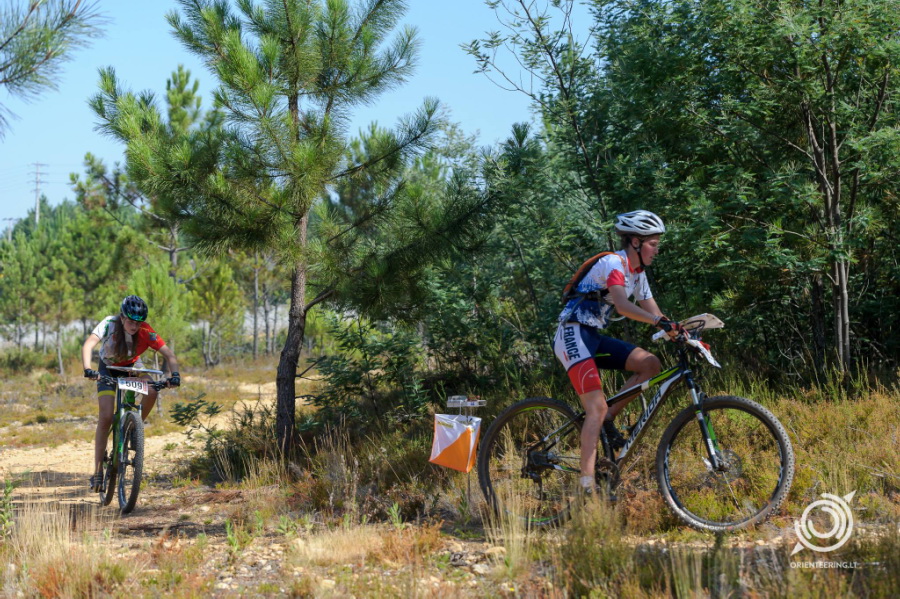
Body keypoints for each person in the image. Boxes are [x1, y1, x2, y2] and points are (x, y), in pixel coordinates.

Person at [553, 210, 685, 495]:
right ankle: (587, 488)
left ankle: (608, 420)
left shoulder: (638, 274)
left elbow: (655, 313)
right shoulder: (614, 263)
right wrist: (660, 323)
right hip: (572, 333)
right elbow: (624, 306)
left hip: (593, 337)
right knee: (595, 407)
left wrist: (679, 332)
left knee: (650, 364)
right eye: (653, 243)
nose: (657, 248)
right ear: (635, 242)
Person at [81, 295, 181, 491]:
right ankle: (98, 471)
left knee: (152, 390)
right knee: (106, 417)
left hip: (132, 367)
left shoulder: (146, 331)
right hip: (107, 368)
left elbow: (169, 354)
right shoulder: (109, 323)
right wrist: (88, 369)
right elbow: (88, 344)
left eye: (138, 322)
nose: (134, 326)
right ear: (122, 317)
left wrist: (175, 375)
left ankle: (135, 428)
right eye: (130, 321)